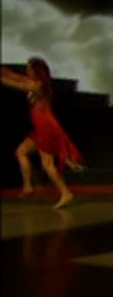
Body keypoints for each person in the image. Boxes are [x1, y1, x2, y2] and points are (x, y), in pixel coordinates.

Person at [1, 57, 84, 210]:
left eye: (29, 68)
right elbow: (15, 76)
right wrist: (4, 71)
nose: (27, 71)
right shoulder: (34, 82)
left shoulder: (38, 85)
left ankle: (66, 193)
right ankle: (28, 187)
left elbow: (14, 83)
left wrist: (4, 79)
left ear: (37, 71)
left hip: (46, 127)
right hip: (40, 127)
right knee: (21, 152)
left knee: (47, 164)